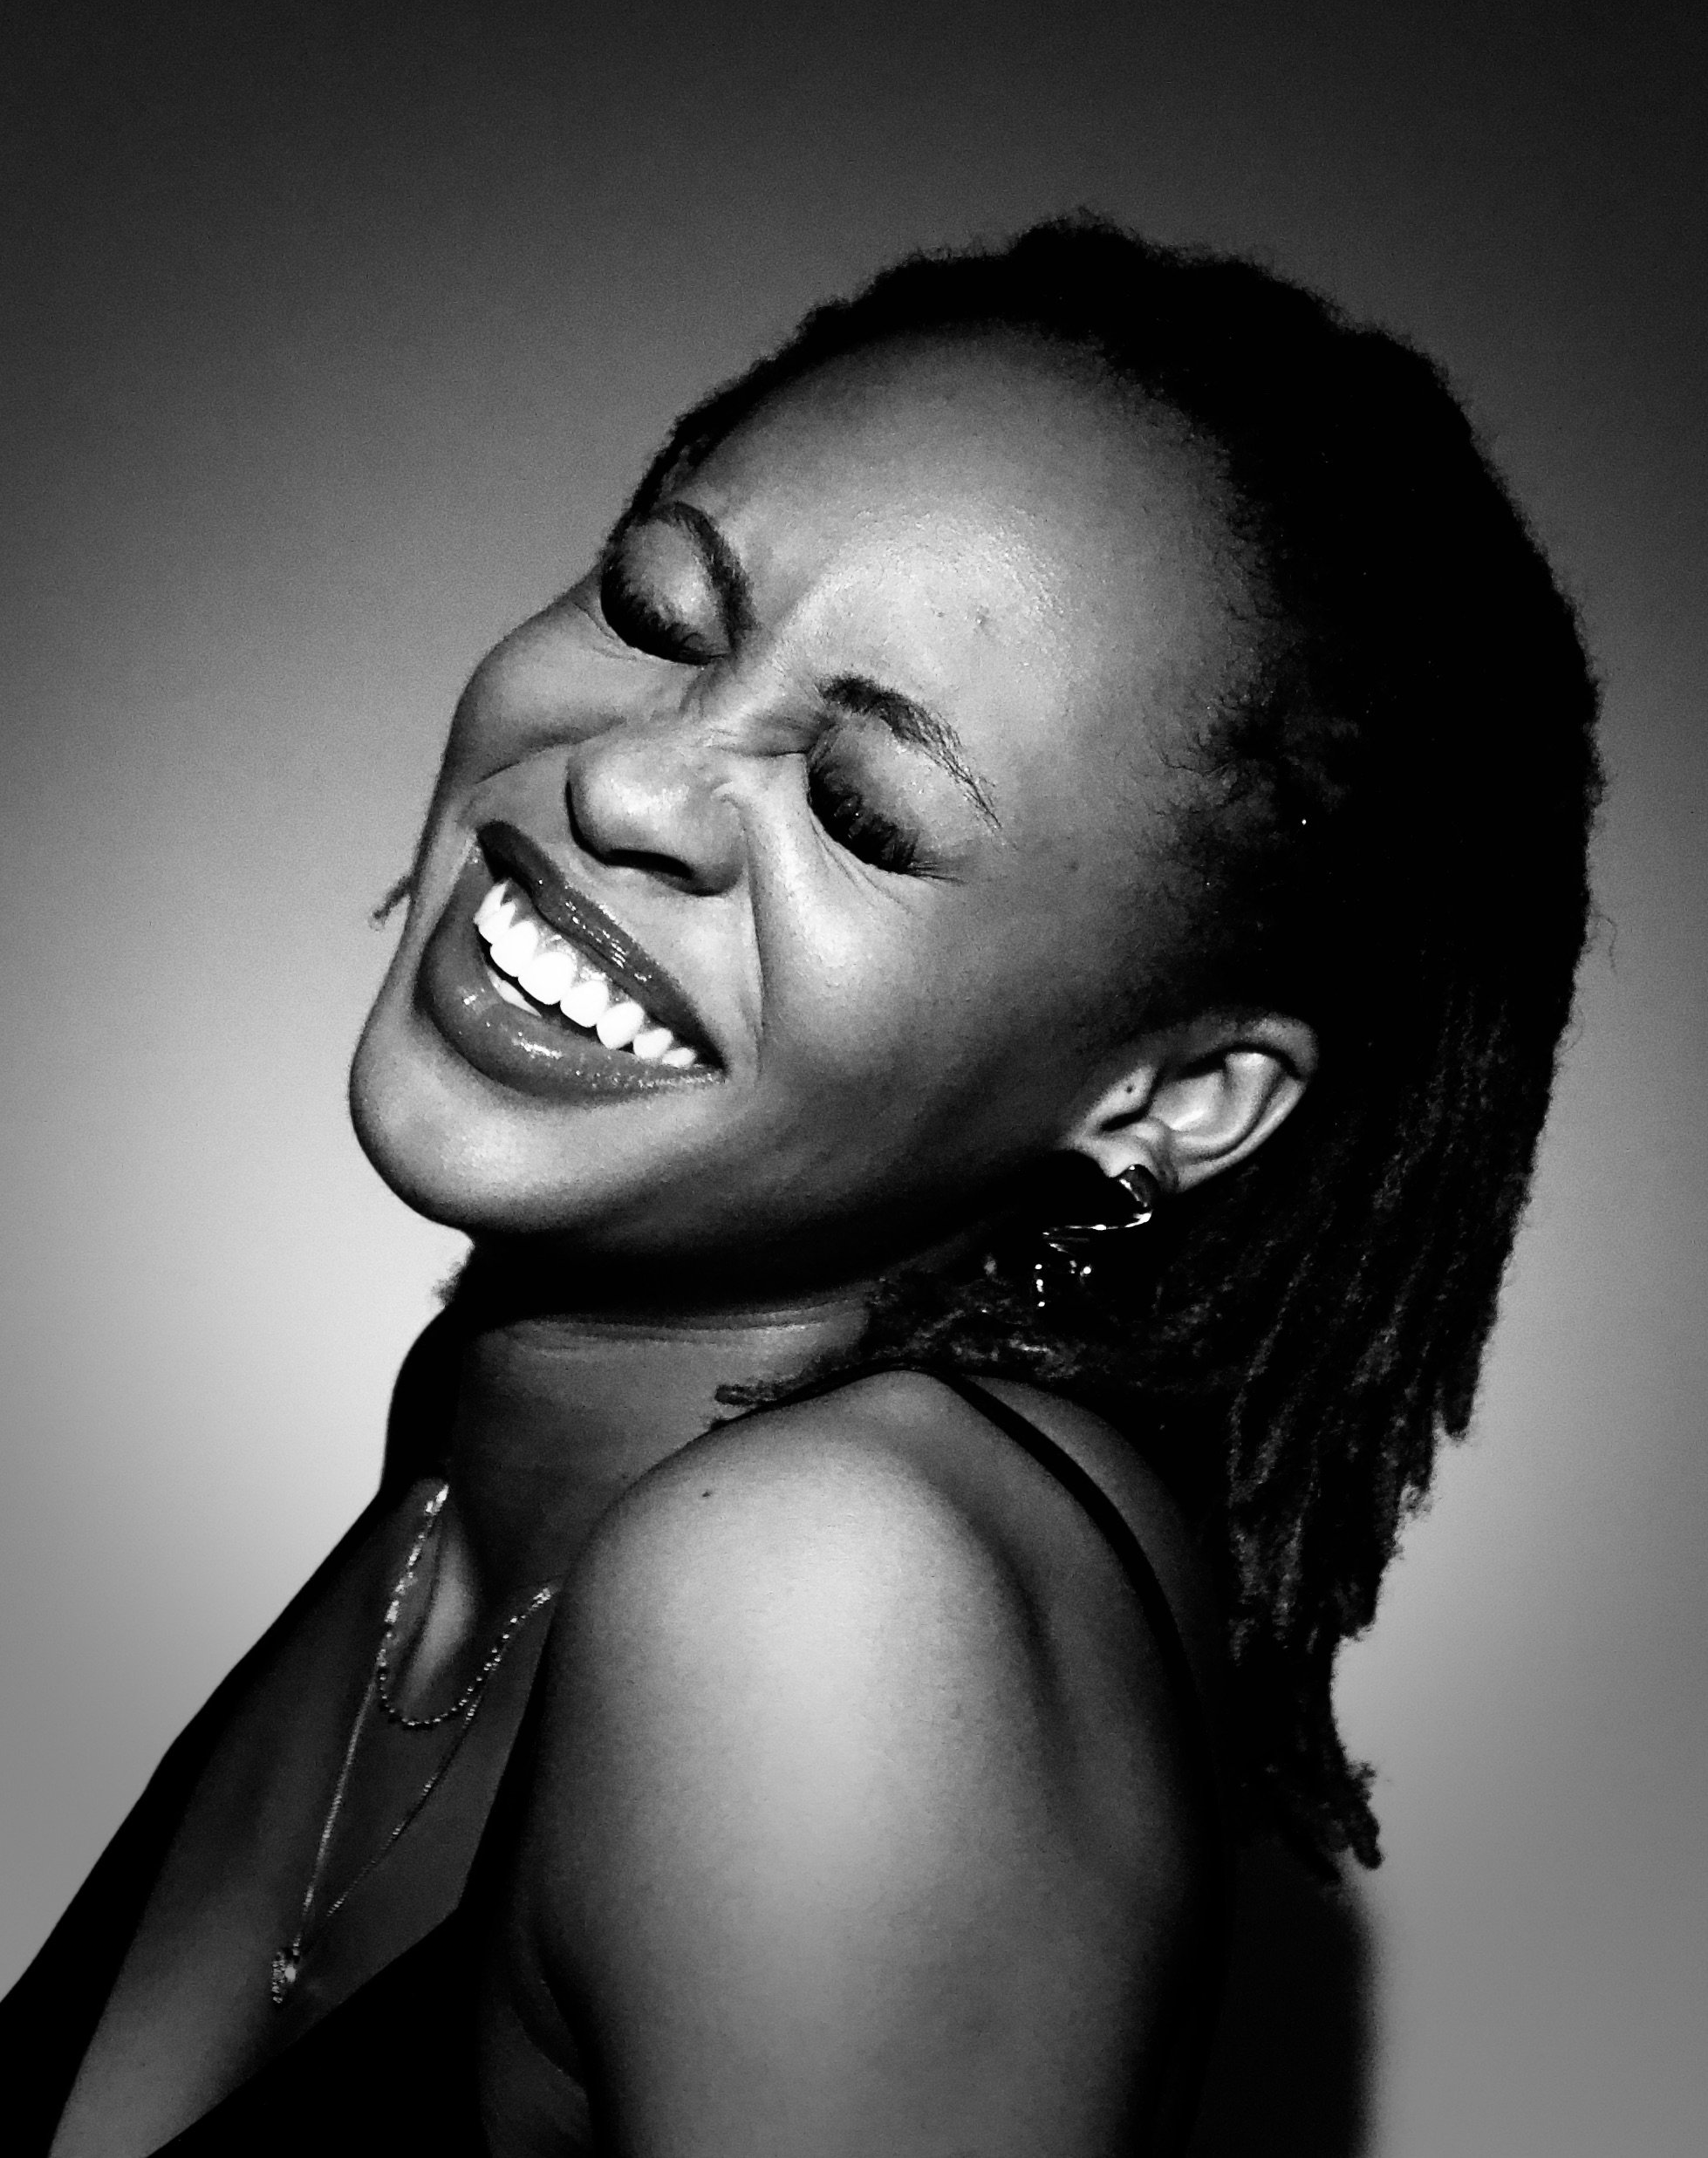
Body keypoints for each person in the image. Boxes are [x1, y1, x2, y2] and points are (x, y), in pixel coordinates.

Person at [3, 215, 1601, 2156]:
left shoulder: (834, 1604)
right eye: (658, 611)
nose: (627, 784)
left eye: (864, 810)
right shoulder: (493, 1455)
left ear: (1176, 1096)